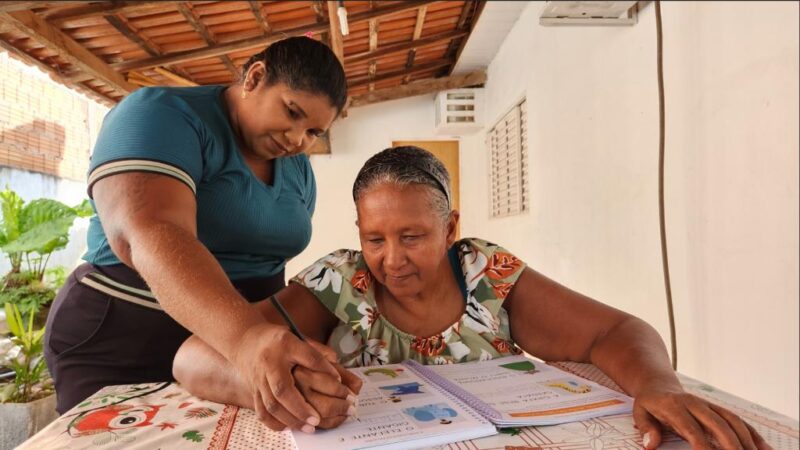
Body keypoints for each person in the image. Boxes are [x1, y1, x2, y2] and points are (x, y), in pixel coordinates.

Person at [174, 146, 770, 449]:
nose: (392, 259)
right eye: (374, 238)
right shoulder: (339, 282)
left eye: (413, 237)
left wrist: (657, 385)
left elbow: (614, 332)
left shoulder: (486, 274)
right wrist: (278, 388)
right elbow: (192, 358)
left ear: (450, 227)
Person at [44, 37, 356, 433]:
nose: (297, 140)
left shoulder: (297, 171)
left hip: (222, 356)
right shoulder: (160, 115)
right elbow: (149, 231)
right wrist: (247, 339)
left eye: (313, 131)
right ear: (256, 77)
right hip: (124, 338)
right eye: (291, 112)